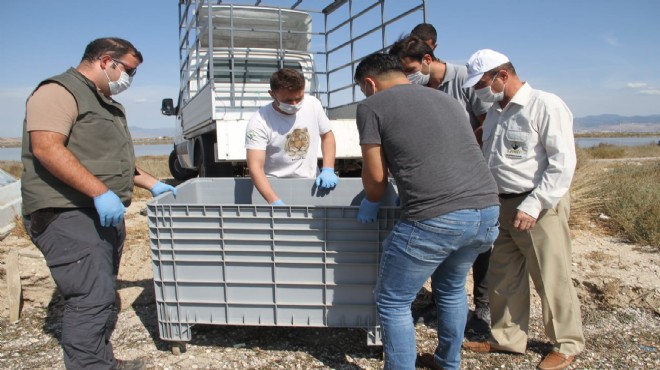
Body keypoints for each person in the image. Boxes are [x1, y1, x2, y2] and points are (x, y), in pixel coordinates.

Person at [20, 37, 175, 370]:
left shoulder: (102, 101)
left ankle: (102, 361)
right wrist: (98, 192)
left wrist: (152, 183)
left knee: (101, 292)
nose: (129, 79)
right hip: (65, 211)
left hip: (95, 214)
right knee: (90, 297)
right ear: (107, 61)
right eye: (129, 71)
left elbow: (109, 159)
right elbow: (46, 148)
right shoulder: (58, 92)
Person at [354, 53, 500, 370]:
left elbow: (377, 182)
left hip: (436, 217)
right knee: (450, 290)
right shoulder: (444, 99)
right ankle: (448, 363)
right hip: (486, 211)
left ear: (369, 83)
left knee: (393, 300)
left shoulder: (371, 106)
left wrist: (372, 197)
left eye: (364, 90)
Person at [461, 49, 585, 370]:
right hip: (500, 204)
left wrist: (534, 204)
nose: (479, 91)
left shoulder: (545, 105)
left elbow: (562, 163)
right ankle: (508, 339)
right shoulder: (495, 112)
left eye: (483, 83)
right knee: (503, 276)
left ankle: (567, 344)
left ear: (503, 75)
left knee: (550, 276)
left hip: (537, 205)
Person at [389, 33, 494, 335]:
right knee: (441, 241)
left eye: (409, 69)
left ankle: (483, 306)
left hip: (473, 172)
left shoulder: (464, 79)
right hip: (439, 175)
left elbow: (490, 120)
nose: (407, 76)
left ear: (427, 60)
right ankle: (440, 302)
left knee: (480, 247)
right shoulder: (416, 89)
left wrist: (462, 146)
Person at [245, 68, 338, 204]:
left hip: (311, 182)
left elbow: (327, 136)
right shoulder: (259, 121)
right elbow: (255, 167)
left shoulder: (313, 104)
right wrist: (273, 200)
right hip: (275, 185)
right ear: (272, 94)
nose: (295, 104)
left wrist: (328, 168)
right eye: (288, 100)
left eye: (299, 98)